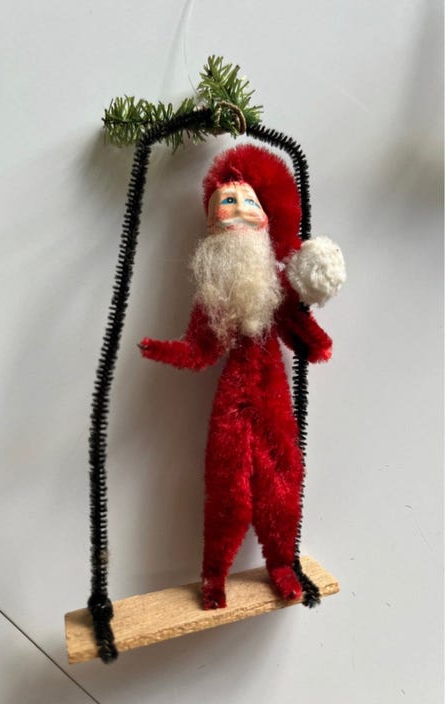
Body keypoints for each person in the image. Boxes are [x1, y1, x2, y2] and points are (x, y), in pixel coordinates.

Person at [140, 144, 345, 608]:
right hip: (233, 402)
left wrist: (316, 341)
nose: (236, 211)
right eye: (226, 203)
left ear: (267, 219)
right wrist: (161, 350)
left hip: (273, 398)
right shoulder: (213, 297)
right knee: (228, 489)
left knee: (282, 483)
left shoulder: (276, 285)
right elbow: (200, 351)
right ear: (211, 224)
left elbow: (304, 335)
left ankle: (281, 563)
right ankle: (214, 575)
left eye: (246, 202)